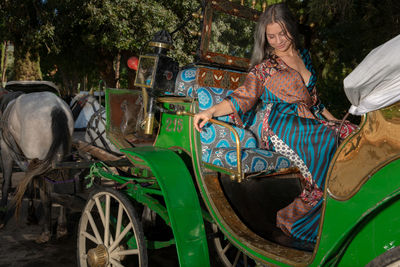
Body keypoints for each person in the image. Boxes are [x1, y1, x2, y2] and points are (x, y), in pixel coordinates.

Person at [194, 3, 355, 243]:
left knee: (350, 132)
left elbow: (316, 103)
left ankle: (349, 202)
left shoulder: (304, 57)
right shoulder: (265, 69)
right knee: (326, 137)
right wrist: (210, 111)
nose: (278, 40)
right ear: (265, 37)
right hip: (279, 125)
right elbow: (243, 98)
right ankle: (296, 220)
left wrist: (341, 123)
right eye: (271, 36)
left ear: (291, 29)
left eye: (283, 33)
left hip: (308, 121)